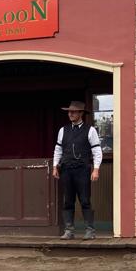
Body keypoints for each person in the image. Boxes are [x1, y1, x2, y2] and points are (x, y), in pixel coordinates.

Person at [52, 99, 102, 239]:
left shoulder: (90, 130)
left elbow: (97, 151)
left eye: (73, 112)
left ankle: (90, 230)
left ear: (81, 113)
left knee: (85, 200)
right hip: (66, 170)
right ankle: (69, 230)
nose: (70, 114)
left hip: (82, 170)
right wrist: (55, 166)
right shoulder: (63, 130)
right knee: (68, 201)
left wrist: (96, 169)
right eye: (69, 112)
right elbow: (58, 149)